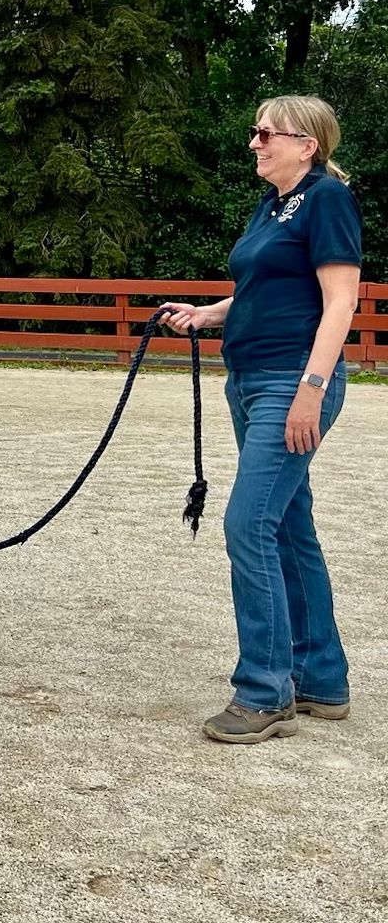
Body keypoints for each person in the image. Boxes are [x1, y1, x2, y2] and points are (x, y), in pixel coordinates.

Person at [160, 95, 362, 745]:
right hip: (249, 379)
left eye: (266, 133)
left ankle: (265, 691)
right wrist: (208, 314)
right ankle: (320, 679)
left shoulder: (327, 199)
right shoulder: (273, 206)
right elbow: (261, 287)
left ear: (307, 145)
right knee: (289, 526)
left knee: (248, 525)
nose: (255, 142)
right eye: (256, 132)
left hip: (290, 380)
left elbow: (341, 301)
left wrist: (312, 388)